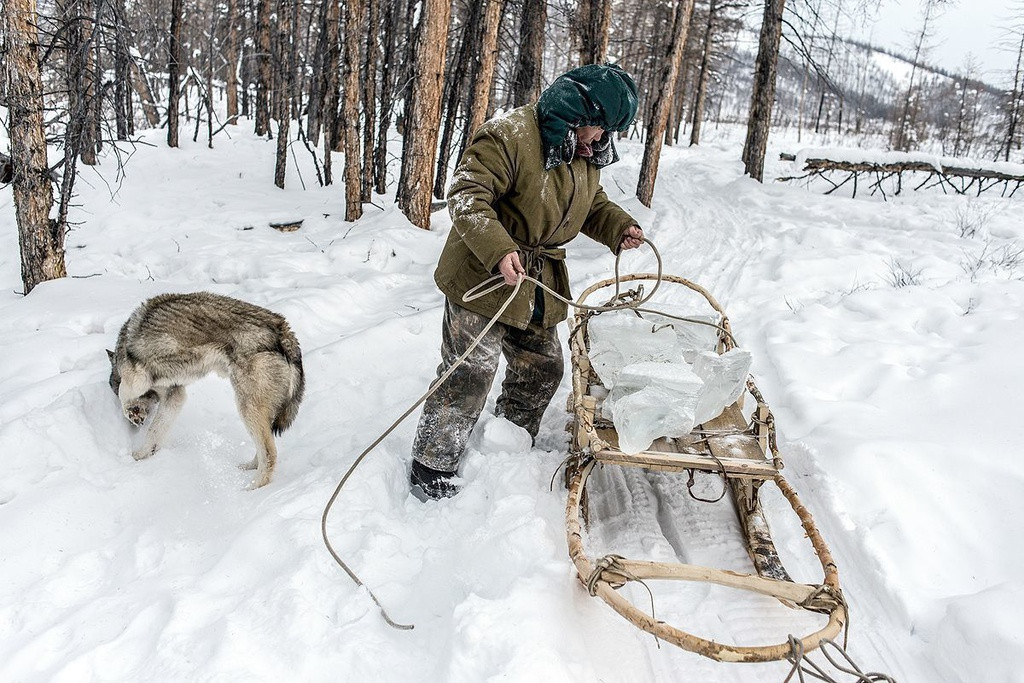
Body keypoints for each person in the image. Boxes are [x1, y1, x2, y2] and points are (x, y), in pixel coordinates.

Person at [410, 63, 646, 500]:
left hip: (536, 280)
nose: (600, 141)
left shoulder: (581, 152)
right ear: (573, 114)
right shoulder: (508, 135)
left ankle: (509, 440)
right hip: (483, 272)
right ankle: (431, 464)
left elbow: (591, 203)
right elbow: (466, 195)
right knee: (470, 371)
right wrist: (499, 249)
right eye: (597, 129)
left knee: (544, 367)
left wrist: (618, 227)